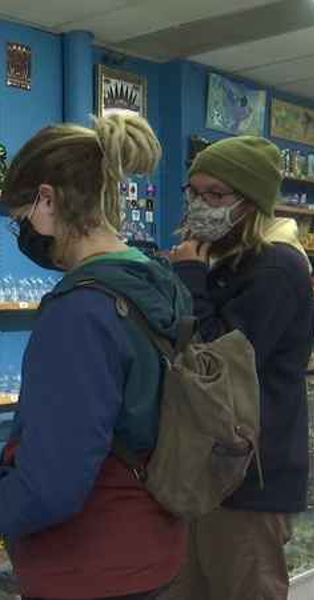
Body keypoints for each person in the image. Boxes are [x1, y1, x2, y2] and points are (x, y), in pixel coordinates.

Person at [0, 113, 192, 600]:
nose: (23, 234)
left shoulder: (79, 313)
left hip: (89, 565)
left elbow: (52, 483)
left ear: (47, 200)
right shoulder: (161, 284)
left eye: (21, 219)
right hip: (155, 547)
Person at [163, 136, 312, 600]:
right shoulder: (222, 258)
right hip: (204, 470)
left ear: (250, 202)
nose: (200, 204)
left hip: (250, 480)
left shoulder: (277, 268)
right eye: (193, 192)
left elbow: (217, 363)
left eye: (216, 194)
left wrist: (189, 276)